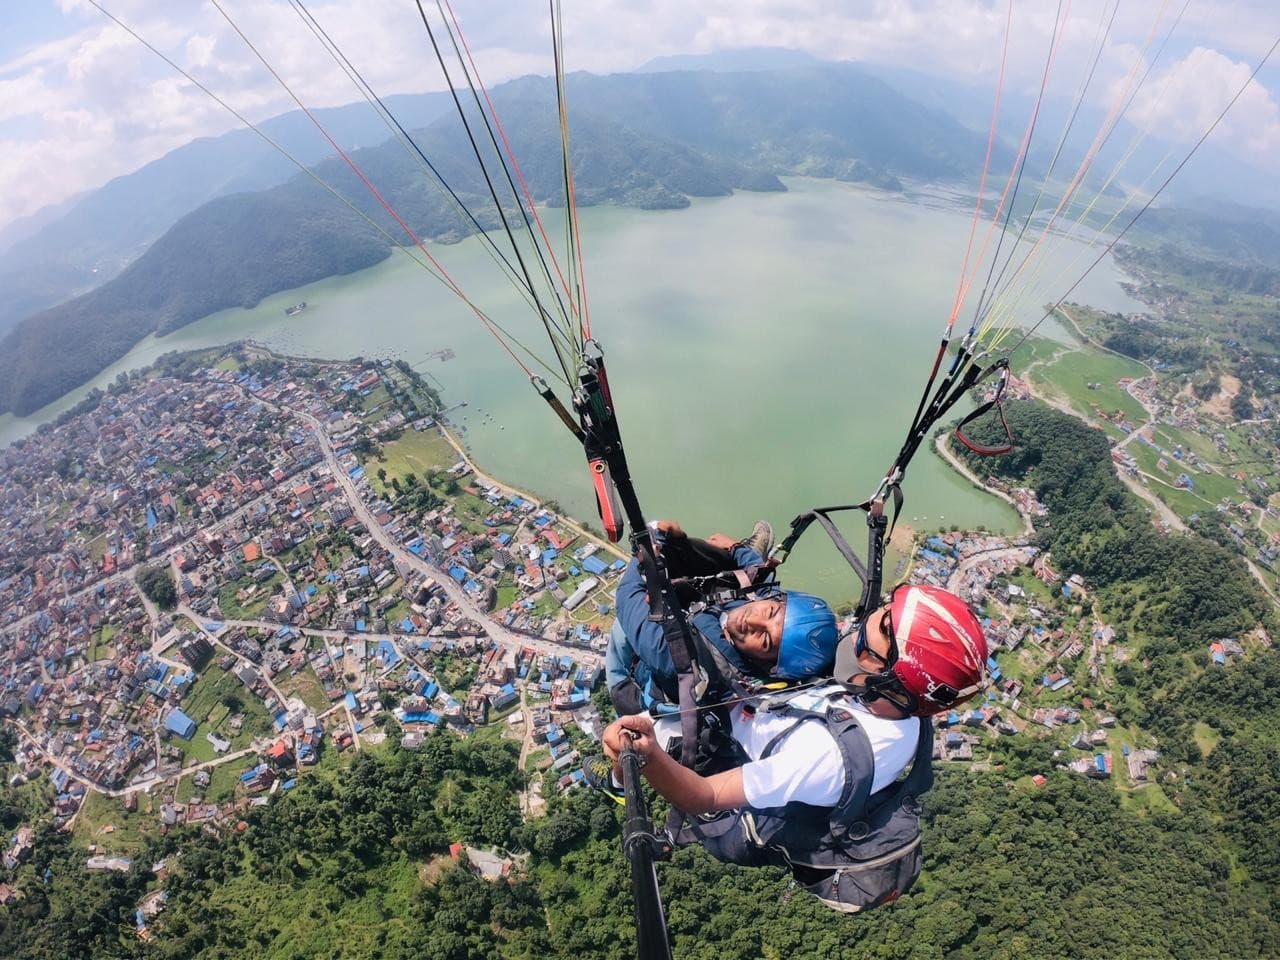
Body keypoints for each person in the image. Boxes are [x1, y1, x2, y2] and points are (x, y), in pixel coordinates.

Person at [594, 583, 989, 912]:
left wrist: (644, 756)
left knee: (633, 719)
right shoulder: (899, 710)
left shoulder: (824, 757)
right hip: (752, 708)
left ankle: (613, 780)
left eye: (885, 624)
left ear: (892, 675)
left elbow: (705, 795)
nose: (874, 616)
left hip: (723, 770)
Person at [606, 519, 841, 718]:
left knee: (621, 626)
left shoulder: (683, 659)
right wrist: (732, 548)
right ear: (778, 599)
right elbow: (758, 574)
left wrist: (644, 555)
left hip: (635, 672)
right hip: (701, 615)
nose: (754, 622)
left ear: (768, 666)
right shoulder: (764, 602)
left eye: (766, 641)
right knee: (732, 573)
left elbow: (627, 597)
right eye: (770, 612)